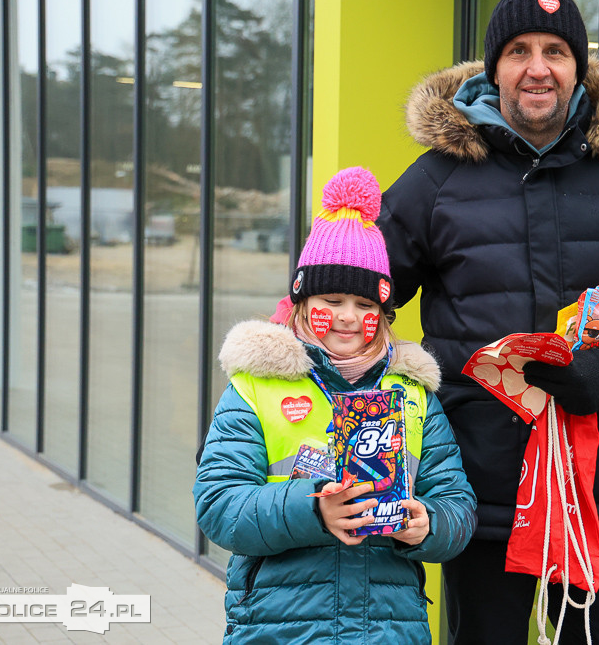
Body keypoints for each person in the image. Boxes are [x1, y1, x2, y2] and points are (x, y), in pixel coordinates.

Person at [375, 0, 599, 642]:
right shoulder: (437, 179)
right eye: (519, 51)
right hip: (479, 489)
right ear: (494, 68)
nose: (538, 69)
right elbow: (360, 294)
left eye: (555, 51)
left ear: (578, 68)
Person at [194, 167, 477, 644]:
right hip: (279, 628)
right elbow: (218, 505)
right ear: (302, 302)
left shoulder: (413, 395)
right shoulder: (256, 386)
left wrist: (429, 525)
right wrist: (315, 511)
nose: (349, 316)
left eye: (366, 306)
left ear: (382, 314)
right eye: (333, 299)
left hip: (388, 629)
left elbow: (458, 505)